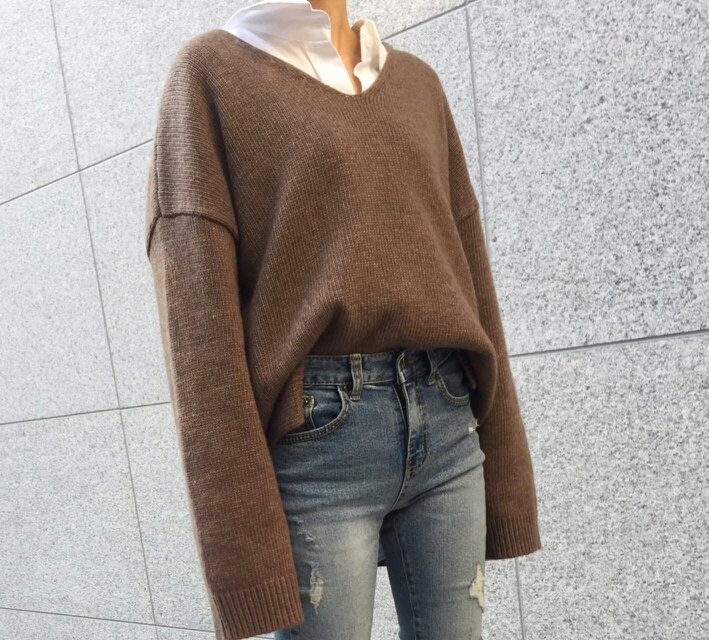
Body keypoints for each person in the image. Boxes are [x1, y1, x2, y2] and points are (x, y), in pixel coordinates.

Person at [144, 1, 542, 638]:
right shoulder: (212, 74)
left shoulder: (417, 83)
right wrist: (242, 558)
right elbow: (199, 334)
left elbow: (471, 275)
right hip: (318, 447)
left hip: (446, 419)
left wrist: (509, 473)